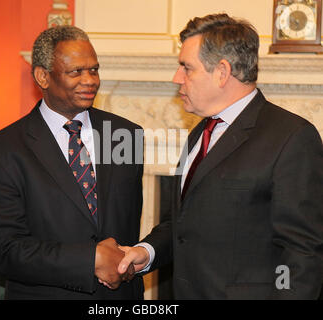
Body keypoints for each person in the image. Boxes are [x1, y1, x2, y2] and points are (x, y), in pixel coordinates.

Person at [117, 13, 323, 299]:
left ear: (222, 72)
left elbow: (301, 254)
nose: (177, 78)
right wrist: (146, 251)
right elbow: (183, 224)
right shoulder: (200, 133)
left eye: (186, 68)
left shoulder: (292, 137)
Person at [0, 26, 144, 299]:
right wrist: (91, 259)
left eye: (94, 70)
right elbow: (4, 251)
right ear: (43, 76)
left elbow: (129, 225)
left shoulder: (126, 135)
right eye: (76, 72)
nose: (90, 80)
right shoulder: (0, 152)